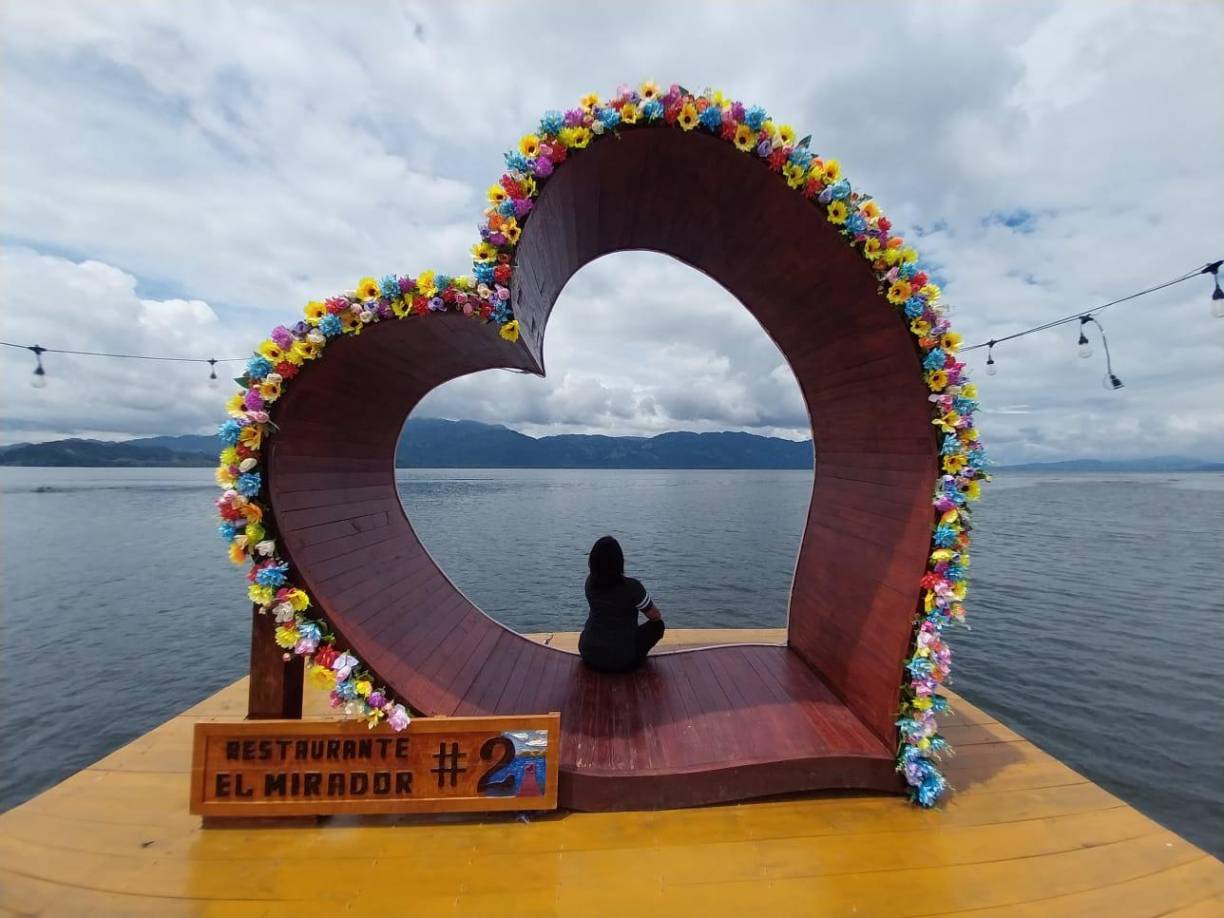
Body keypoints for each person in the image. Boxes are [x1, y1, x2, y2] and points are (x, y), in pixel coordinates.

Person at [578, 535, 665, 673]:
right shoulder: (632, 588)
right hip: (622, 660)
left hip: (588, 652)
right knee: (658, 626)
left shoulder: (589, 583)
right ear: (619, 561)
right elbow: (655, 616)